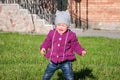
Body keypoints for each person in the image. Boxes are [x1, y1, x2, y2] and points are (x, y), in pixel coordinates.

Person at [40, 10, 86, 80]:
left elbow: (75, 45)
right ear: (55, 25)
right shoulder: (52, 33)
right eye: (58, 25)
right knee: (47, 75)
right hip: (53, 60)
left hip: (66, 61)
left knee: (69, 77)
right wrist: (43, 48)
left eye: (63, 25)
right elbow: (47, 42)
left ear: (67, 26)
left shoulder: (71, 35)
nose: (61, 27)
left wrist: (81, 51)